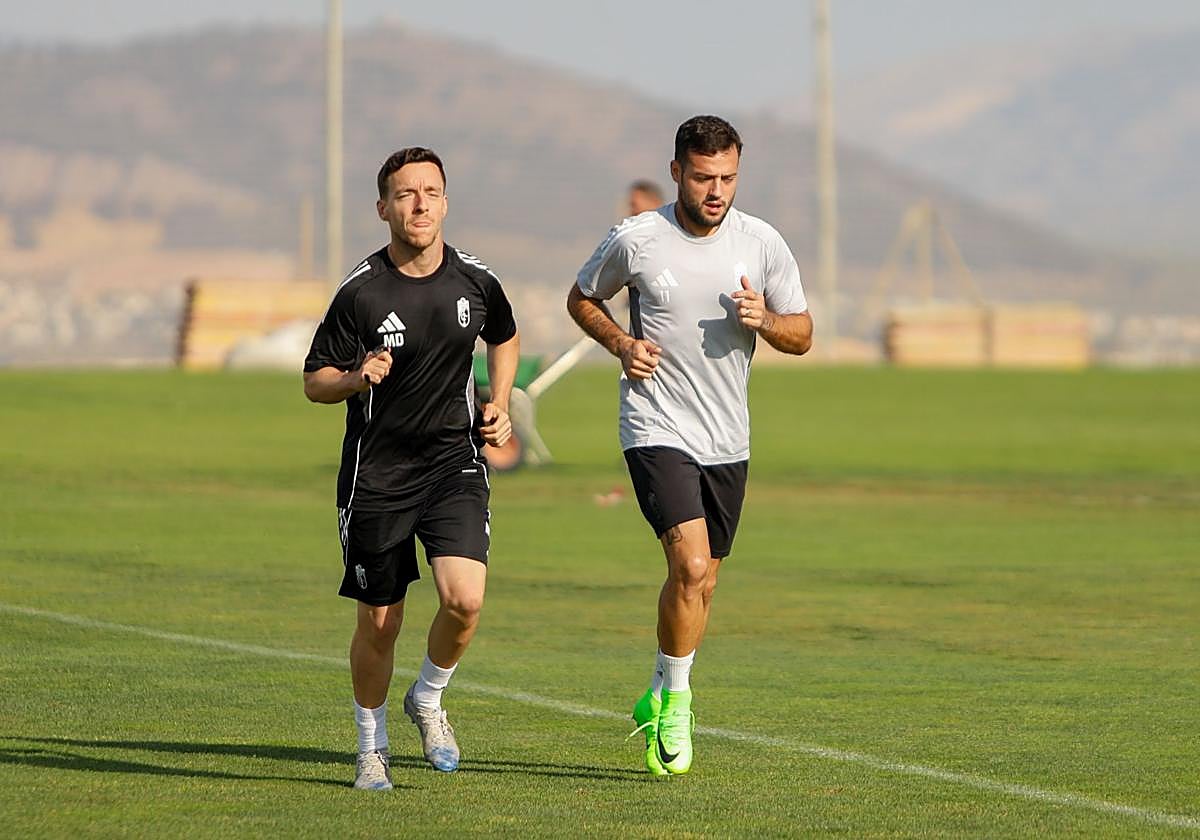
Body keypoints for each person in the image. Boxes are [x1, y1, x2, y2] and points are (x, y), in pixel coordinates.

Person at [567, 116, 812, 776]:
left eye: (728, 178)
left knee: (703, 585)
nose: (716, 191)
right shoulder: (637, 239)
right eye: (704, 177)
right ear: (677, 172)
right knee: (692, 566)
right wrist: (621, 343)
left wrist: (767, 321)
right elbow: (582, 299)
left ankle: (657, 687)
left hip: (728, 437)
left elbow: (803, 333)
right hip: (655, 426)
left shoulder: (761, 242)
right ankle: (677, 703)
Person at [303, 147, 520, 791]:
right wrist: (354, 377)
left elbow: (504, 335)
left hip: (454, 463)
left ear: (446, 202)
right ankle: (371, 747)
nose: (419, 204)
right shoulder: (361, 292)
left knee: (465, 600)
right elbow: (314, 381)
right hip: (378, 476)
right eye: (405, 194)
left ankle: (427, 697)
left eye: (430, 192)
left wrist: (501, 403)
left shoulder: (476, 281)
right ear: (383, 208)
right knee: (381, 621)